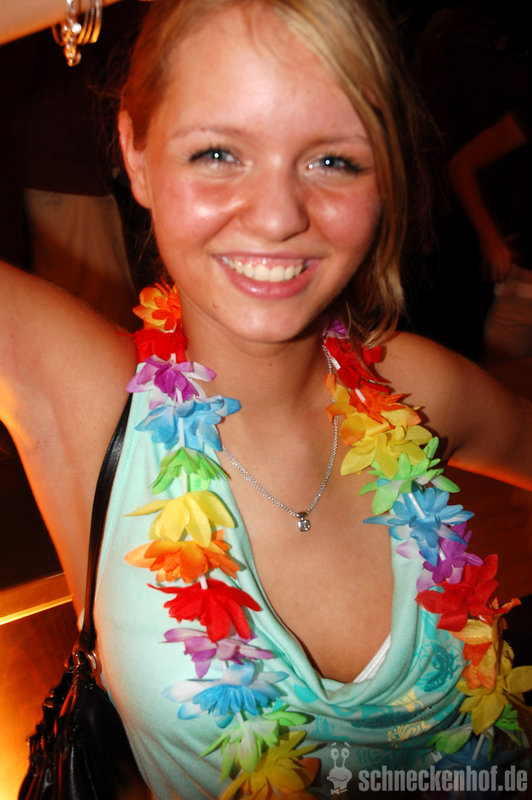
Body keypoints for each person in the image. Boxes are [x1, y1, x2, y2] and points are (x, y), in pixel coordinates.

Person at [1, 0, 532, 798]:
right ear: (136, 154)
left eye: (334, 160)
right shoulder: (86, 398)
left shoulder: (416, 388)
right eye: (217, 152)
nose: (280, 216)